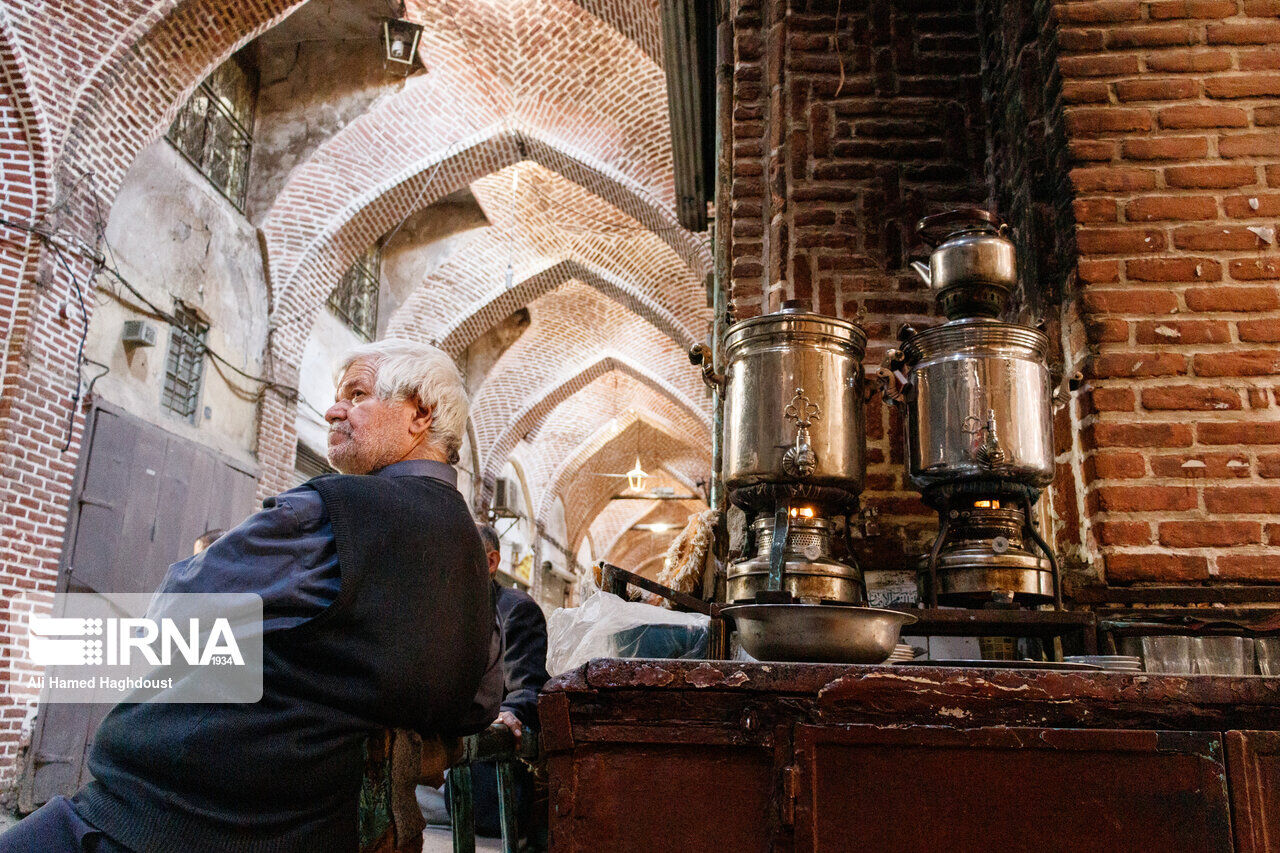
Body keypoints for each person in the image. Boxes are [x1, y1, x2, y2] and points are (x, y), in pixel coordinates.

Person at [1, 339, 497, 853]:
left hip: (167, 819)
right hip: (309, 826)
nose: (332, 409)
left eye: (356, 394)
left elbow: (174, 611)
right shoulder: (469, 555)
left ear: (419, 413)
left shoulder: (336, 510)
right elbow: (476, 702)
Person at [447, 523, 550, 840]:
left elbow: (528, 688)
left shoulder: (515, 610)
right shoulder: (441, 611)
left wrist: (509, 714)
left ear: (491, 563)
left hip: (480, 774)